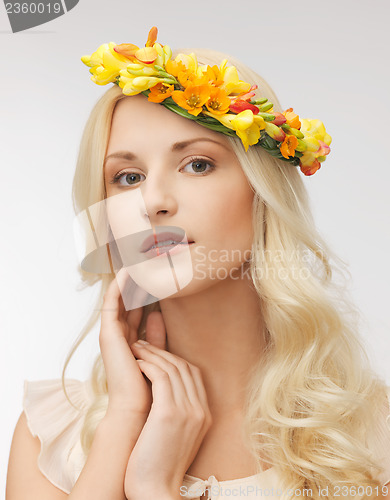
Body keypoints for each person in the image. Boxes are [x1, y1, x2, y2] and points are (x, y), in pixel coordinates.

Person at [6, 27, 390, 500]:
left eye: (197, 165)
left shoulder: (369, 437)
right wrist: (122, 423)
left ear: (262, 192)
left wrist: (152, 488)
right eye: (127, 177)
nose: (154, 202)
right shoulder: (53, 435)